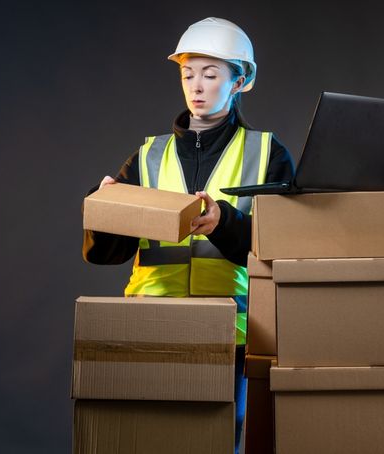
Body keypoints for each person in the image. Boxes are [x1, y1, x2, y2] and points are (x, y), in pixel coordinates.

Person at [82, 17, 294, 453]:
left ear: (240, 81)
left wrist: (226, 225)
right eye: (188, 74)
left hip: (230, 332)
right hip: (148, 325)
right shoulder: (148, 154)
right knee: (147, 441)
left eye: (211, 74)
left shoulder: (267, 154)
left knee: (217, 442)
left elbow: (290, 250)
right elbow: (105, 254)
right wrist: (103, 209)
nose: (196, 85)